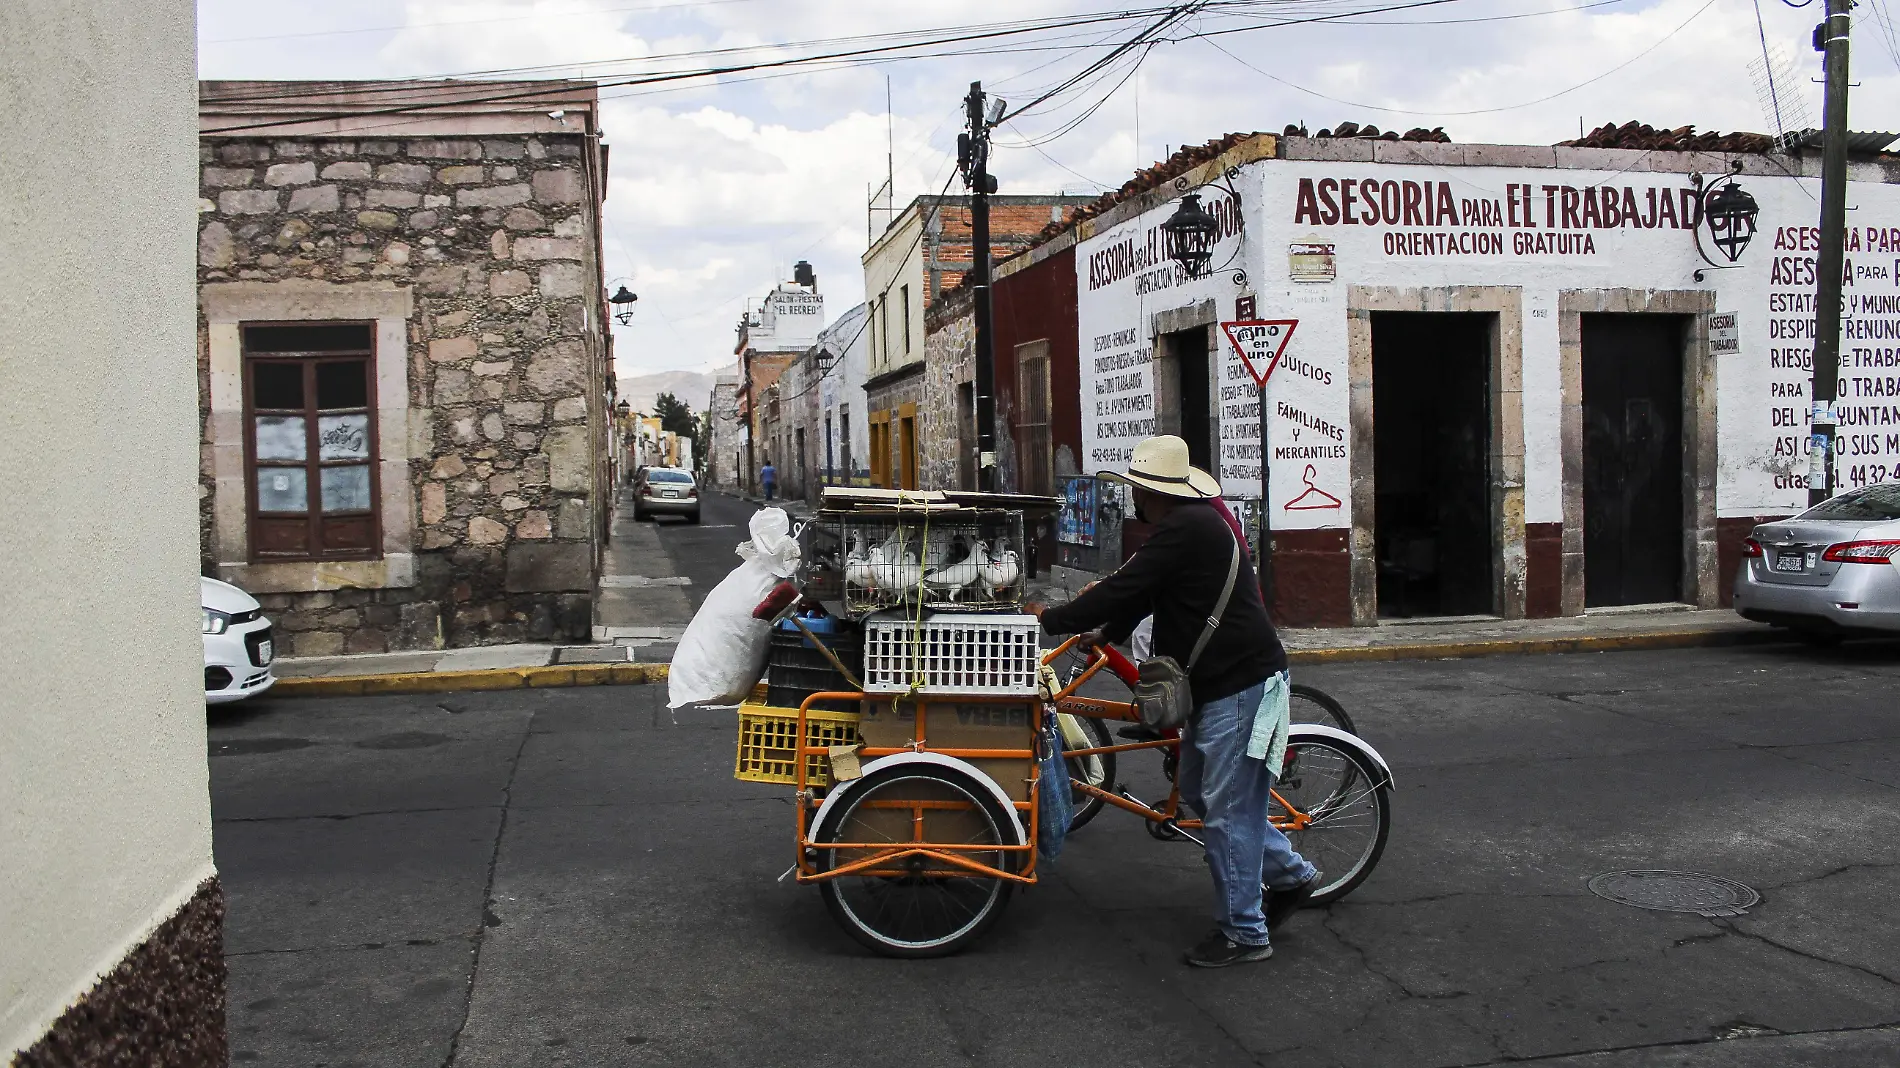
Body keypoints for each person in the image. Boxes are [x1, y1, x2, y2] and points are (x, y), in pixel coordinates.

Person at [1026, 435, 1319, 968]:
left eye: (1137, 489)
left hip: (1238, 684)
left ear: (1149, 491)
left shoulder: (1186, 529)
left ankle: (1244, 932)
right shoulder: (1196, 521)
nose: (1135, 497)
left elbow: (1126, 587)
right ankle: (1291, 877)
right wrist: (1107, 632)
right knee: (1200, 794)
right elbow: (1148, 594)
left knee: (1227, 812)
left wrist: (1050, 619)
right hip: (1222, 683)